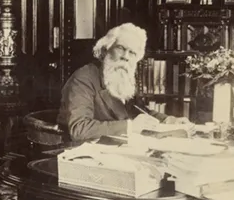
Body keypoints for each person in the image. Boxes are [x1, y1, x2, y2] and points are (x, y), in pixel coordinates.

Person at [58, 23, 189, 142]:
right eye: (120, 48)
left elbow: (139, 111)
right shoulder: (84, 78)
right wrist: (129, 126)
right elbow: (79, 129)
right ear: (105, 50)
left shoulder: (122, 78)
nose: (125, 57)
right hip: (85, 153)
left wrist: (166, 120)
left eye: (132, 52)